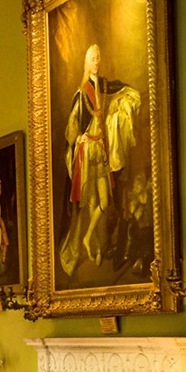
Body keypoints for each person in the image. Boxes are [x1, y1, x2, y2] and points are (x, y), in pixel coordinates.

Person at [58, 43, 140, 274]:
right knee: (92, 201)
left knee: (105, 202)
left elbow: (120, 96)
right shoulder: (82, 92)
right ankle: (90, 246)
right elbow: (72, 129)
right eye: (93, 58)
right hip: (87, 151)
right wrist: (77, 142)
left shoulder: (104, 86)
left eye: (98, 57)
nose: (96, 61)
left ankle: (87, 238)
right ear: (87, 61)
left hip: (101, 149)